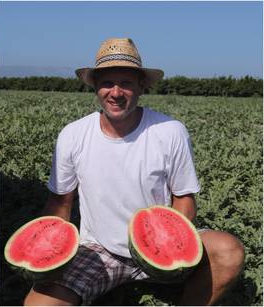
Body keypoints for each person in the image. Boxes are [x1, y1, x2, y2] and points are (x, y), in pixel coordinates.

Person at [24, 38, 245, 306]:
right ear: (95, 87)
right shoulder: (73, 135)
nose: (115, 92)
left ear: (142, 86)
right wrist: (50, 250)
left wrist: (169, 243)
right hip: (98, 250)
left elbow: (184, 199)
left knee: (228, 251)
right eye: (107, 83)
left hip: (160, 245)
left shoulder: (169, 131)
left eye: (126, 83)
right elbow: (60, 203)